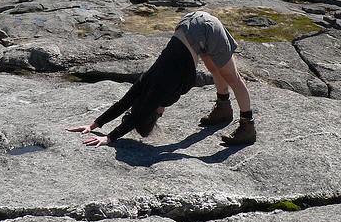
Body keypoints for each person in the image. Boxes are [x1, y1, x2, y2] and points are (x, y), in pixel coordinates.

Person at [66, 11, 256, 147]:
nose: (161, 113)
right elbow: (123, 103)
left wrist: (110, 137)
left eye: (158, 115)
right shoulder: (145, 83)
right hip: (189, 27)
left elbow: (137, 115)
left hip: (204, 29)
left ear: (151, 110)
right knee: (215, 69)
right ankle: (223, 109)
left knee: (233, 78)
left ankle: (247, 127)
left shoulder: (158, 91)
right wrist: (95, 124)